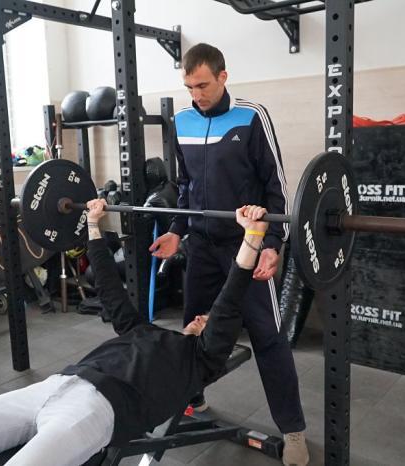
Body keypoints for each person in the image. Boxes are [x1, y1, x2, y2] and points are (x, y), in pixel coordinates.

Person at [0, 200, 293, 466]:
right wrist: (93, 223)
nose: (202, 317)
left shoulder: (201, 359)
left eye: (208, 322)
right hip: (53, 386)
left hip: (95, 412)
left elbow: (229, 298)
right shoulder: (140, 330)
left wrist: (253, 236)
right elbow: (109, 287)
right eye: (203, 316)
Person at [149, 43, 308, 466]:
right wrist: (176, 231)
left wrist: (273, 244)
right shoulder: (181, 121)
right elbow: (185, 187)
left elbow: (276, 186)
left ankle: (293, 431)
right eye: (189, 87)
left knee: (268, 336)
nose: (195, 94)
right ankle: (192, 399)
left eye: (202, 85)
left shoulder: (251, 117)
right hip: (201, 247)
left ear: (223, 76)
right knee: (192, 328)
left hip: (247, 245)